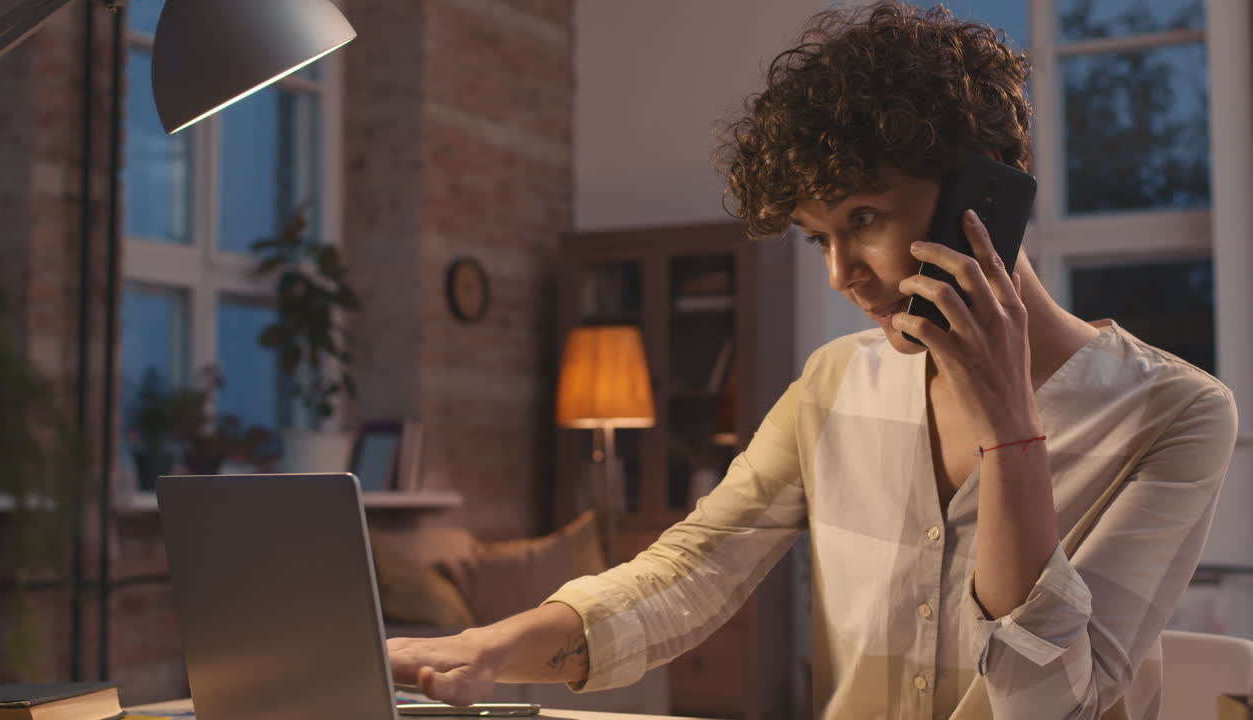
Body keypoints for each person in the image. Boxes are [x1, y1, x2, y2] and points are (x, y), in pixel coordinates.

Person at [387, 3, 1239, 717]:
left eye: (863, 218)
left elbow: (1047, 704)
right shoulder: (834, 383)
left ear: (987, 195)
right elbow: (689, 572)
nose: (841, 275)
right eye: (817, 239)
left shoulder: (1176, 412)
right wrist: (488, 645)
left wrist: (1012, 429)